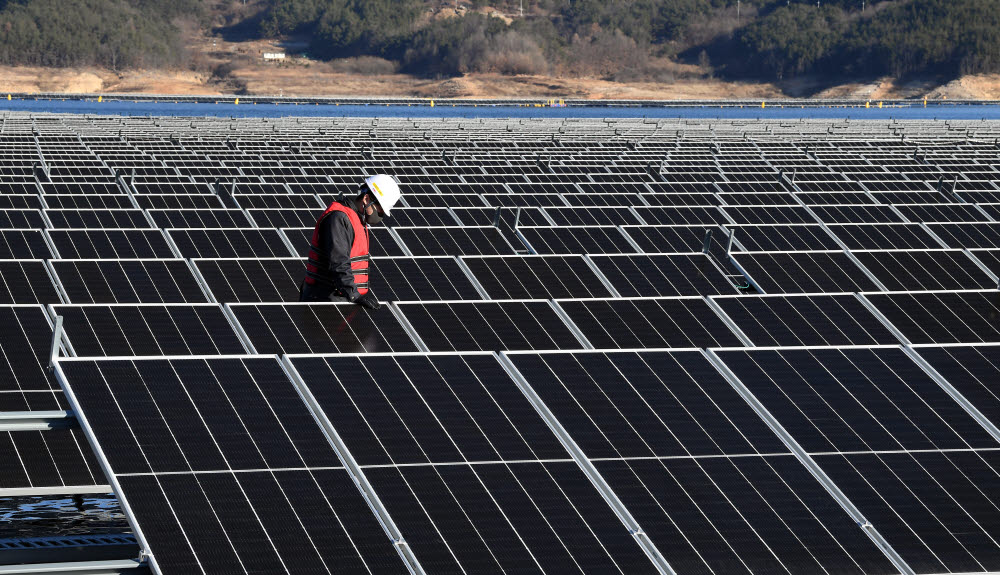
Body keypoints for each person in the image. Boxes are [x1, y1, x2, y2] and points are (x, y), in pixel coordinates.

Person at [300, 174, 401, 308]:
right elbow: (338, 262)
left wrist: (354, 295)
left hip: (341, 297)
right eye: (380, 209)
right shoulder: (339, 219)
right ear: (366, 199)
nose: (380, 214)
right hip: (325, 300)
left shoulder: (356, 219)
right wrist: (354, 295)